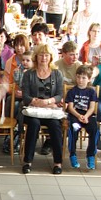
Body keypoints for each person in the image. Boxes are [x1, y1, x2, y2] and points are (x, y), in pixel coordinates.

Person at [21, 43, 65, 175]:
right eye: (41, 55)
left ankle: (58, 163)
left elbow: (59, 95)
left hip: (51, 111)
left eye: (46, 55)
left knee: (55, 126)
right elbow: (25, 96)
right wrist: (36, 102)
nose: (44, 58)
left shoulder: (57, 73)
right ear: (36, 57)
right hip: (33, 110)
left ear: (51, 57)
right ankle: (27, 162)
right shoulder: (29, 74)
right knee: (33, 124)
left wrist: (48, 101)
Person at [65, 65, 99, 171]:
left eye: (84, 78)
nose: (80, 80)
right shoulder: (72, 91)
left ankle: (90, 155)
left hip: (88, 115)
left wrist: (86, 116)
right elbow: (70, 108)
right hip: (75, 115)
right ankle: (72, 154)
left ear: (89, 79)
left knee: (94, 129)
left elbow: (92, 107)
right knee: (73, 129)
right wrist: (79, 116)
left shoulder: (92, 92)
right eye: (78, 77)